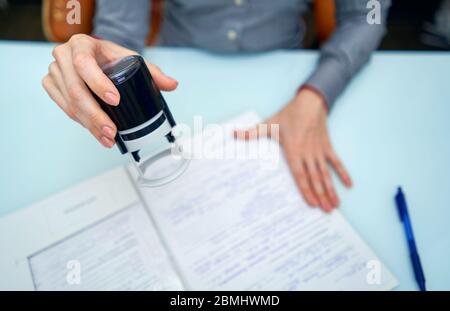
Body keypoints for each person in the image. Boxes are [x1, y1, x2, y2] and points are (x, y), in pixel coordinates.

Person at [42, 0, 391, 212]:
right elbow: (119, 31)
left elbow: (366, 16)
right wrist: (96, 58)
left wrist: (316, 93)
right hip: (178, 73)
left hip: (290, 70)